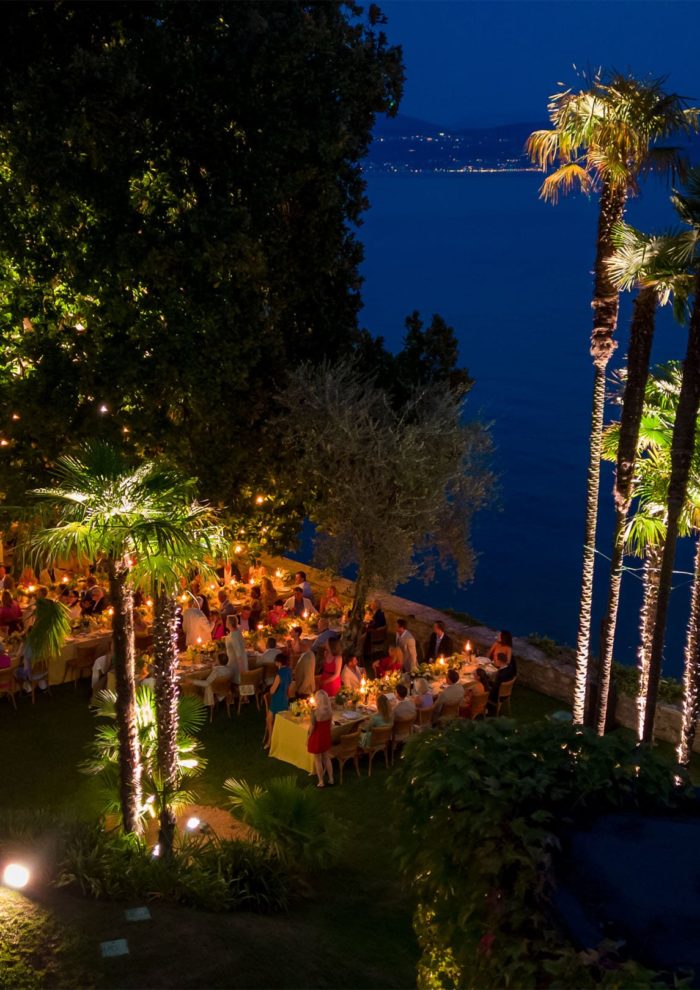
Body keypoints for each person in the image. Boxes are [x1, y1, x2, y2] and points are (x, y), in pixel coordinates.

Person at [265, 653, 292, 748]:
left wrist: (269, 690)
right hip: (284, 698)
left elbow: (272, 690)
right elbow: (289, 685)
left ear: (279, 663)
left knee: (269, 719)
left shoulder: (279, 674)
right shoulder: (289, 671)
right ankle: (275, 740)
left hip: (277, 698)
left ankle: (271, 740)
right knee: (274, 719)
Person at [307, 689, 334, 787]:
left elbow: (313, 727)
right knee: (326, 758)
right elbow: (330, 724)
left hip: (317, 737)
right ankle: (331, 778)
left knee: (318, 760)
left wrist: (308, 737)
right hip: (326, 736)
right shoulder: (330, 710)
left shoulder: (315, 711)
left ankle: (321, 781)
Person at [224, 614, 248, 685]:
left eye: (226, 621)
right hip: (243, 661)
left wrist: (242, 672)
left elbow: (238, 654)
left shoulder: (233, 636)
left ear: (229, 623)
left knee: (240, 683)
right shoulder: (238, 632)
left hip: (236, 665)